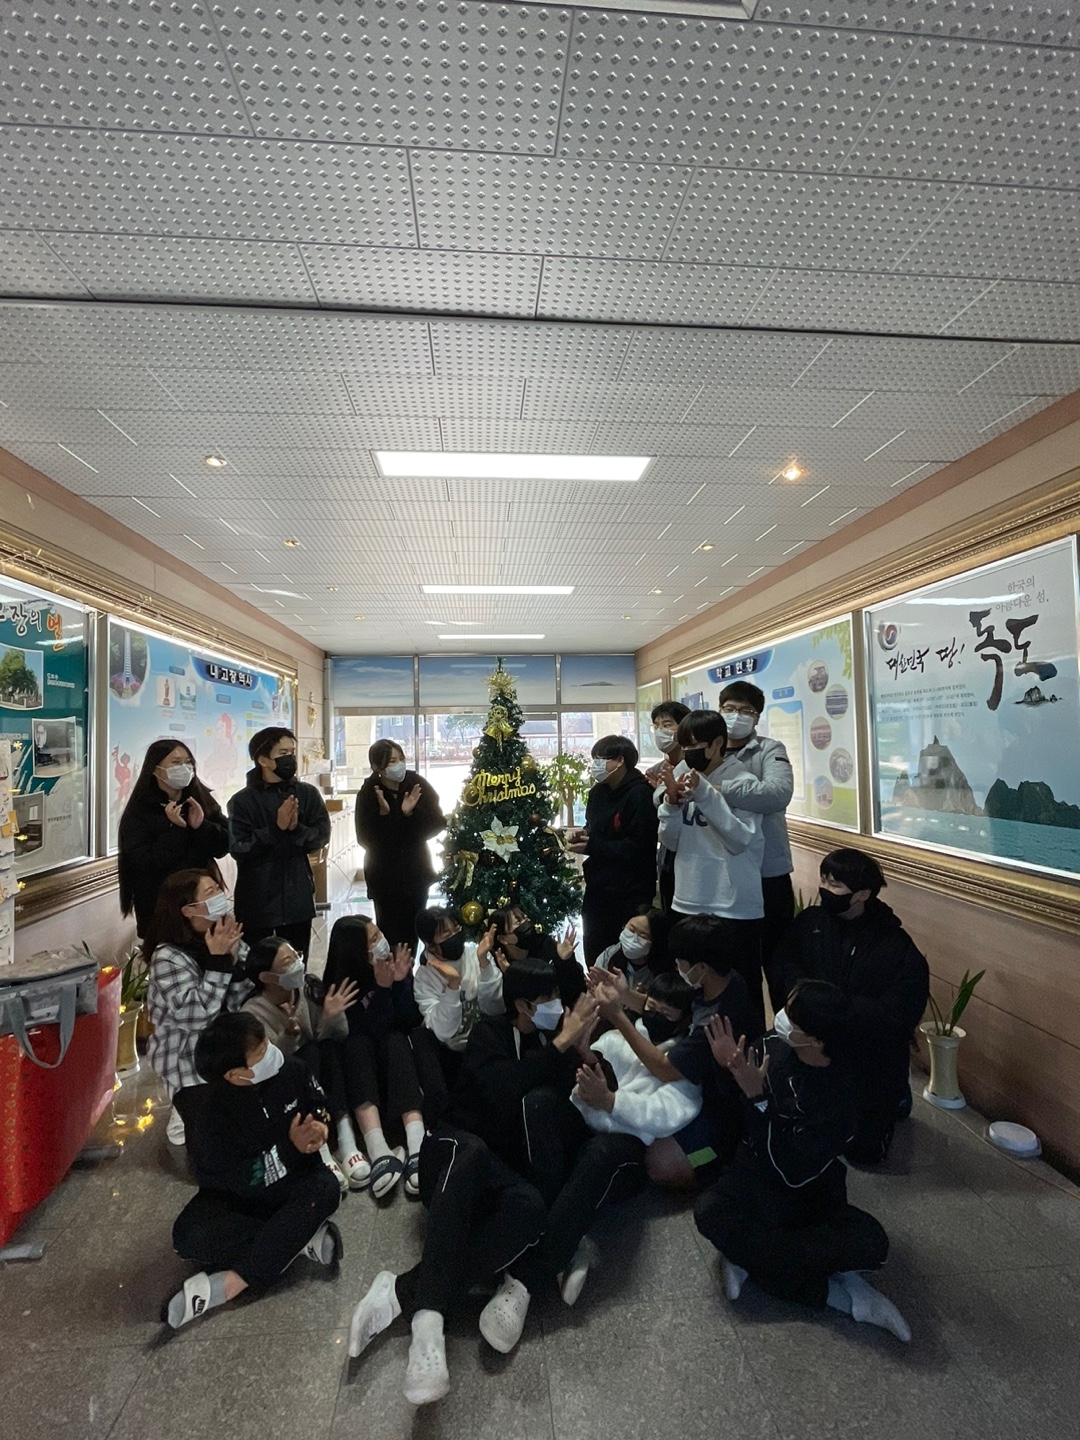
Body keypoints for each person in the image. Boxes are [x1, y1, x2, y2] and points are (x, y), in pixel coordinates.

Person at [348, 962, 630, 1404]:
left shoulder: (557, 1043)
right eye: (548, 999)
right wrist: (560, 1043)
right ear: (523, 1005)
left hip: (501, 1175)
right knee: (475, 1152)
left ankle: (401, 1291)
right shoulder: (491, 1033)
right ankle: (427, 1324)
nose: (558, 1007)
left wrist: (584, 1051)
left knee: (530, 1209)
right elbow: (501, 1092)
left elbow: (600, 1089)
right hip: (454, 1154)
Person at [693, 980, 911, 1341]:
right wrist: (727, 1068)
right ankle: (839, 1297)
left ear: (817, 1040)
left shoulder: (842, 1093)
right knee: (709, 1211)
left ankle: (748, 1257)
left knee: (872, 1244)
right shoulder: (773, 1046)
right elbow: (736, 1112)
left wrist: (758, 1098)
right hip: (753, 1174)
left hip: (808, 1190)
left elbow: (791, 1171)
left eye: (792, 1019)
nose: (780, 1020)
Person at [164, 1011, 342, 1329]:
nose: (271, 1052)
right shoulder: (210, 1117)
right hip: (242, 1199)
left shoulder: (292, 1070)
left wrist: (320, 1126)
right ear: (236, 1075)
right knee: (187, 1237)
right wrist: (289, 1148)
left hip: (298, 1182)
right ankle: (299, 1238)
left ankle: (232, 1283)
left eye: (266, 1043)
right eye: (260, 1053)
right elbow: (236, 1179)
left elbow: (319, 1102)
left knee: (326, 1190)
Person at [775, 848, 930, 1164]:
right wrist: (803, 999)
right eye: (823, 880)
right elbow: (784, 964)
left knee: (865, 1154)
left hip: (866, 1053)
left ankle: (895, 1096)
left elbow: (898, 1012)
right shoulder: (810, 922)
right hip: (812, 1044)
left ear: (862, 894)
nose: (824, 889)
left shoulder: (894, 944)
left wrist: (837, 1009)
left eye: (835, 885)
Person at [590, 914, 754, 1188]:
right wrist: (625, 994)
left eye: (681, 961)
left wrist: (617, 1016)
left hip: (721, 1103)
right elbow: (669, 1010)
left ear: (702, 967)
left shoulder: (715, 1020)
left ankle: (715, 1162)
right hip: (693, 1084)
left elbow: (665, 1069)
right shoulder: (719, 980)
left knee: (661, 1164)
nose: (676, 966)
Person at [657, 709, 768, 1034]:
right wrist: (670, 805)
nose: (688, 753)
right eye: (684, 746)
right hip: (688, 899)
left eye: (695, 745)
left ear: (717, 743)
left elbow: (739, 839)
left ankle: (749, 1058)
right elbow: (672, 841)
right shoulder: (685, 775)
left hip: (733, 906)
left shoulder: (743, 782)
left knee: (741, 996)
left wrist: (706, 795)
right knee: (692, 992)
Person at [241, 935, 361, 1189]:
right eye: (288, 962)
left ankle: (346, 1137)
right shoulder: (252, 1012)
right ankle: (320, 1149)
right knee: (307, 1054)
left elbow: (338, 1036)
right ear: (267, 977)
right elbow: (266, 1065)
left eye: (296, 955)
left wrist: (331, 1017)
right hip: (288, 1087)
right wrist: (288, 1035)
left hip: (321, 1070)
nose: (298, 964)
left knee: (325, 1050)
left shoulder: (308, 988)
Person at [145, 868, 253, 1146]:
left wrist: (235, 963)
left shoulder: (223, 935)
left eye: (218, 888)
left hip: (229, 1041)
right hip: (187, 1052)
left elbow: (243, 1000)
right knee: (211, 1136)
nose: (220, 895)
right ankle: (182, 1109)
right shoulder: (167, 957)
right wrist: (219, 962)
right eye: (210, 892)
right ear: (188, 910)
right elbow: (196, 1018)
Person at [322, 915, 426, 1198]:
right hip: (361, 1079)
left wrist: (400, 983)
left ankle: (417, 1144)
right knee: (357, 1043)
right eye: (373, 939)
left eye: (379, 933)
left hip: (395, 1072)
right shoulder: (341, 986)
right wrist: (381, 989)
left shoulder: (391, 965)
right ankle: (377, 1148)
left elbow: (408, 1021)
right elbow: (364, 1033)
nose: (382, 942)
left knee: (396, 1039)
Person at [572, 970, 701, 1185]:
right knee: (543, 1103)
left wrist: (611, 1101)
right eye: (651, 1007)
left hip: (629, 1139)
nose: (656, 1015)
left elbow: (663, 1115)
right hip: (587, 1117)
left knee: (600, 1154)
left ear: (682, 1021)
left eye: (666, 1013)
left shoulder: (681, 1064)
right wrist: (585, 1053)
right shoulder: (615, 1038)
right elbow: (590, 1077)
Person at [712, 681, 796, 1011]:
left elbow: (777, 794)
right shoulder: (709, 750)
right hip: (725, 875)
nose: (737, 716)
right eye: (730, 709)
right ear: (719, 711)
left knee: (777, 960)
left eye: (746, 710)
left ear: (757, 717)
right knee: (733, 964)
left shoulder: (769, 750)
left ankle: (785, 1031)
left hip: (767, 873)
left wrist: (718, 791)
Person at [227, 726, 331, 957]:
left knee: (295, 965)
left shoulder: (307, 794)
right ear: (263, 760)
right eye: (283, 753)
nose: (290, 759)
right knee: (257, 967)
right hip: (257, 903)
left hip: (297, 900)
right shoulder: (242, 801)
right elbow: (238, 847)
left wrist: (296, 829)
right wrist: (276, 829)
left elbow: (321, 836)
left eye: (292, 752)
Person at [117, 739, 230, 936]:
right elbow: (144, 863)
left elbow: (223, 846)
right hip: (161, 908)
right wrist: (176, 830)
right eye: (176, 763)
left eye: (188, 762)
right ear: (155, 769)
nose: (184, 768)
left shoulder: (201, 799)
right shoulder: (140, 811)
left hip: (204, 905)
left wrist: (201, 826)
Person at [568, 734, 659, 964]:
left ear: (620, 761)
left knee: (626, 953)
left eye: (601, 759)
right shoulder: (597, 793)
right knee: (595, 949)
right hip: (598, 887)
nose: (595, 765)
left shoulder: (640, 794)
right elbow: (594, 828)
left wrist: (593, 845)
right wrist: (584, 835)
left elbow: (638, 846)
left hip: (630, 889)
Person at [354, 740, 445, 951]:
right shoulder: (368, 793)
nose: (399, 765)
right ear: (377, 767)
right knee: (390, 936)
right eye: (392, 761)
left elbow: (437, 823)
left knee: (414, 933)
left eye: (401, 759)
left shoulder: (417, 784)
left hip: (416, 873)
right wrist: (385, 816)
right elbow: (365, 839)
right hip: (384, 878)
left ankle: (411, 967)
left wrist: (410, 813)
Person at [490, 904, 585, 1007]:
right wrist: (513, 975)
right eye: (518, 922)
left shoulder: (545, 944)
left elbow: (576, 986)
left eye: (525, 918)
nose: (526, 923)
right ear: (503, 939)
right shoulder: (499, 965)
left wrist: (565, 961)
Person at [645, 700, 690, 912]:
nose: (660, 731)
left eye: (667, 724)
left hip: (689, 848)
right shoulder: (656, 770)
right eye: (656, 726)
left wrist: (663, 792)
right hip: (666, 849)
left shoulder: (693, 766)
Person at [592, 904, 672, 992]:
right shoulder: (609, 955)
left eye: (643, 936)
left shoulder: (664, 971)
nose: (633, 939)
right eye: (631, 930)